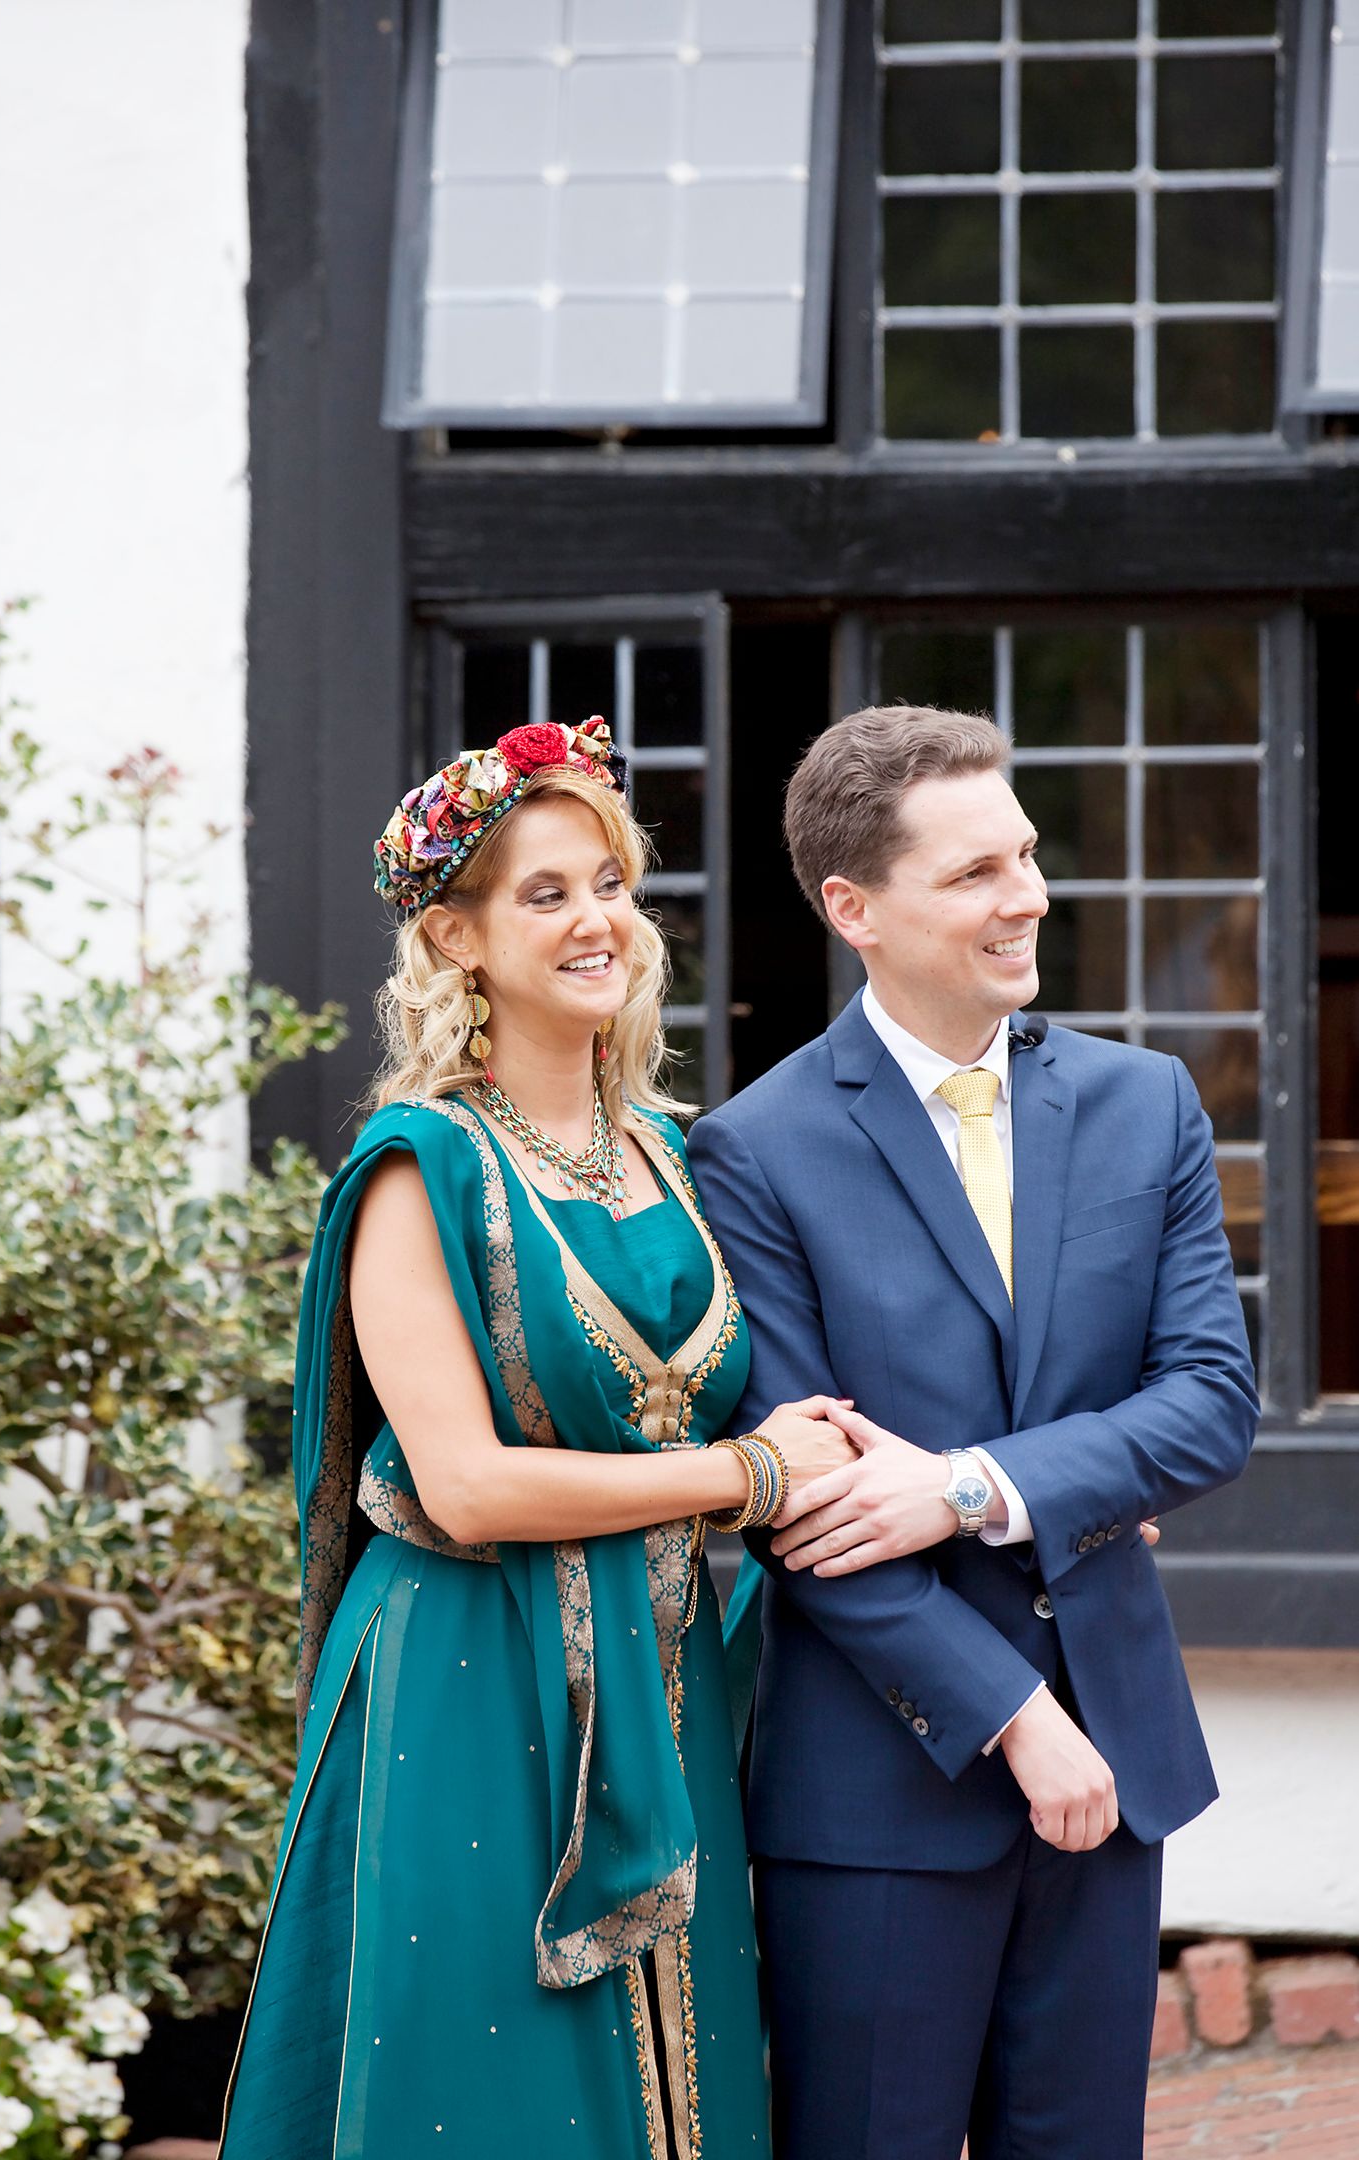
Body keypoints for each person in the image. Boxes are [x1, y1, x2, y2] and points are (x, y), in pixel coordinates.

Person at [218, 717, 852, 2160]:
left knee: (685, 2070)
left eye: (610, 885)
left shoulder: (676, 1154)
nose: (596, 921)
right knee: (496, 2080)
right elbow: (465, 1484)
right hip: (467, 1664)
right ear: (455, 938)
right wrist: (748, 1477)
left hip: (665, 1667)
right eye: (546, 893)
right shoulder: (418, 1167)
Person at [689, 705, 1259, 2160]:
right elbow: (806, 1506)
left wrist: (967, 1487)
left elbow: (1209, 1401)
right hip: (879, 1788)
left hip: (1117, 1750)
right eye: (975, 873)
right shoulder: (753, 1150)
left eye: (1025, 856)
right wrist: (1018, 1719)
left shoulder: (1145, 1105)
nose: (1029, 897)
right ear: (854, 910)